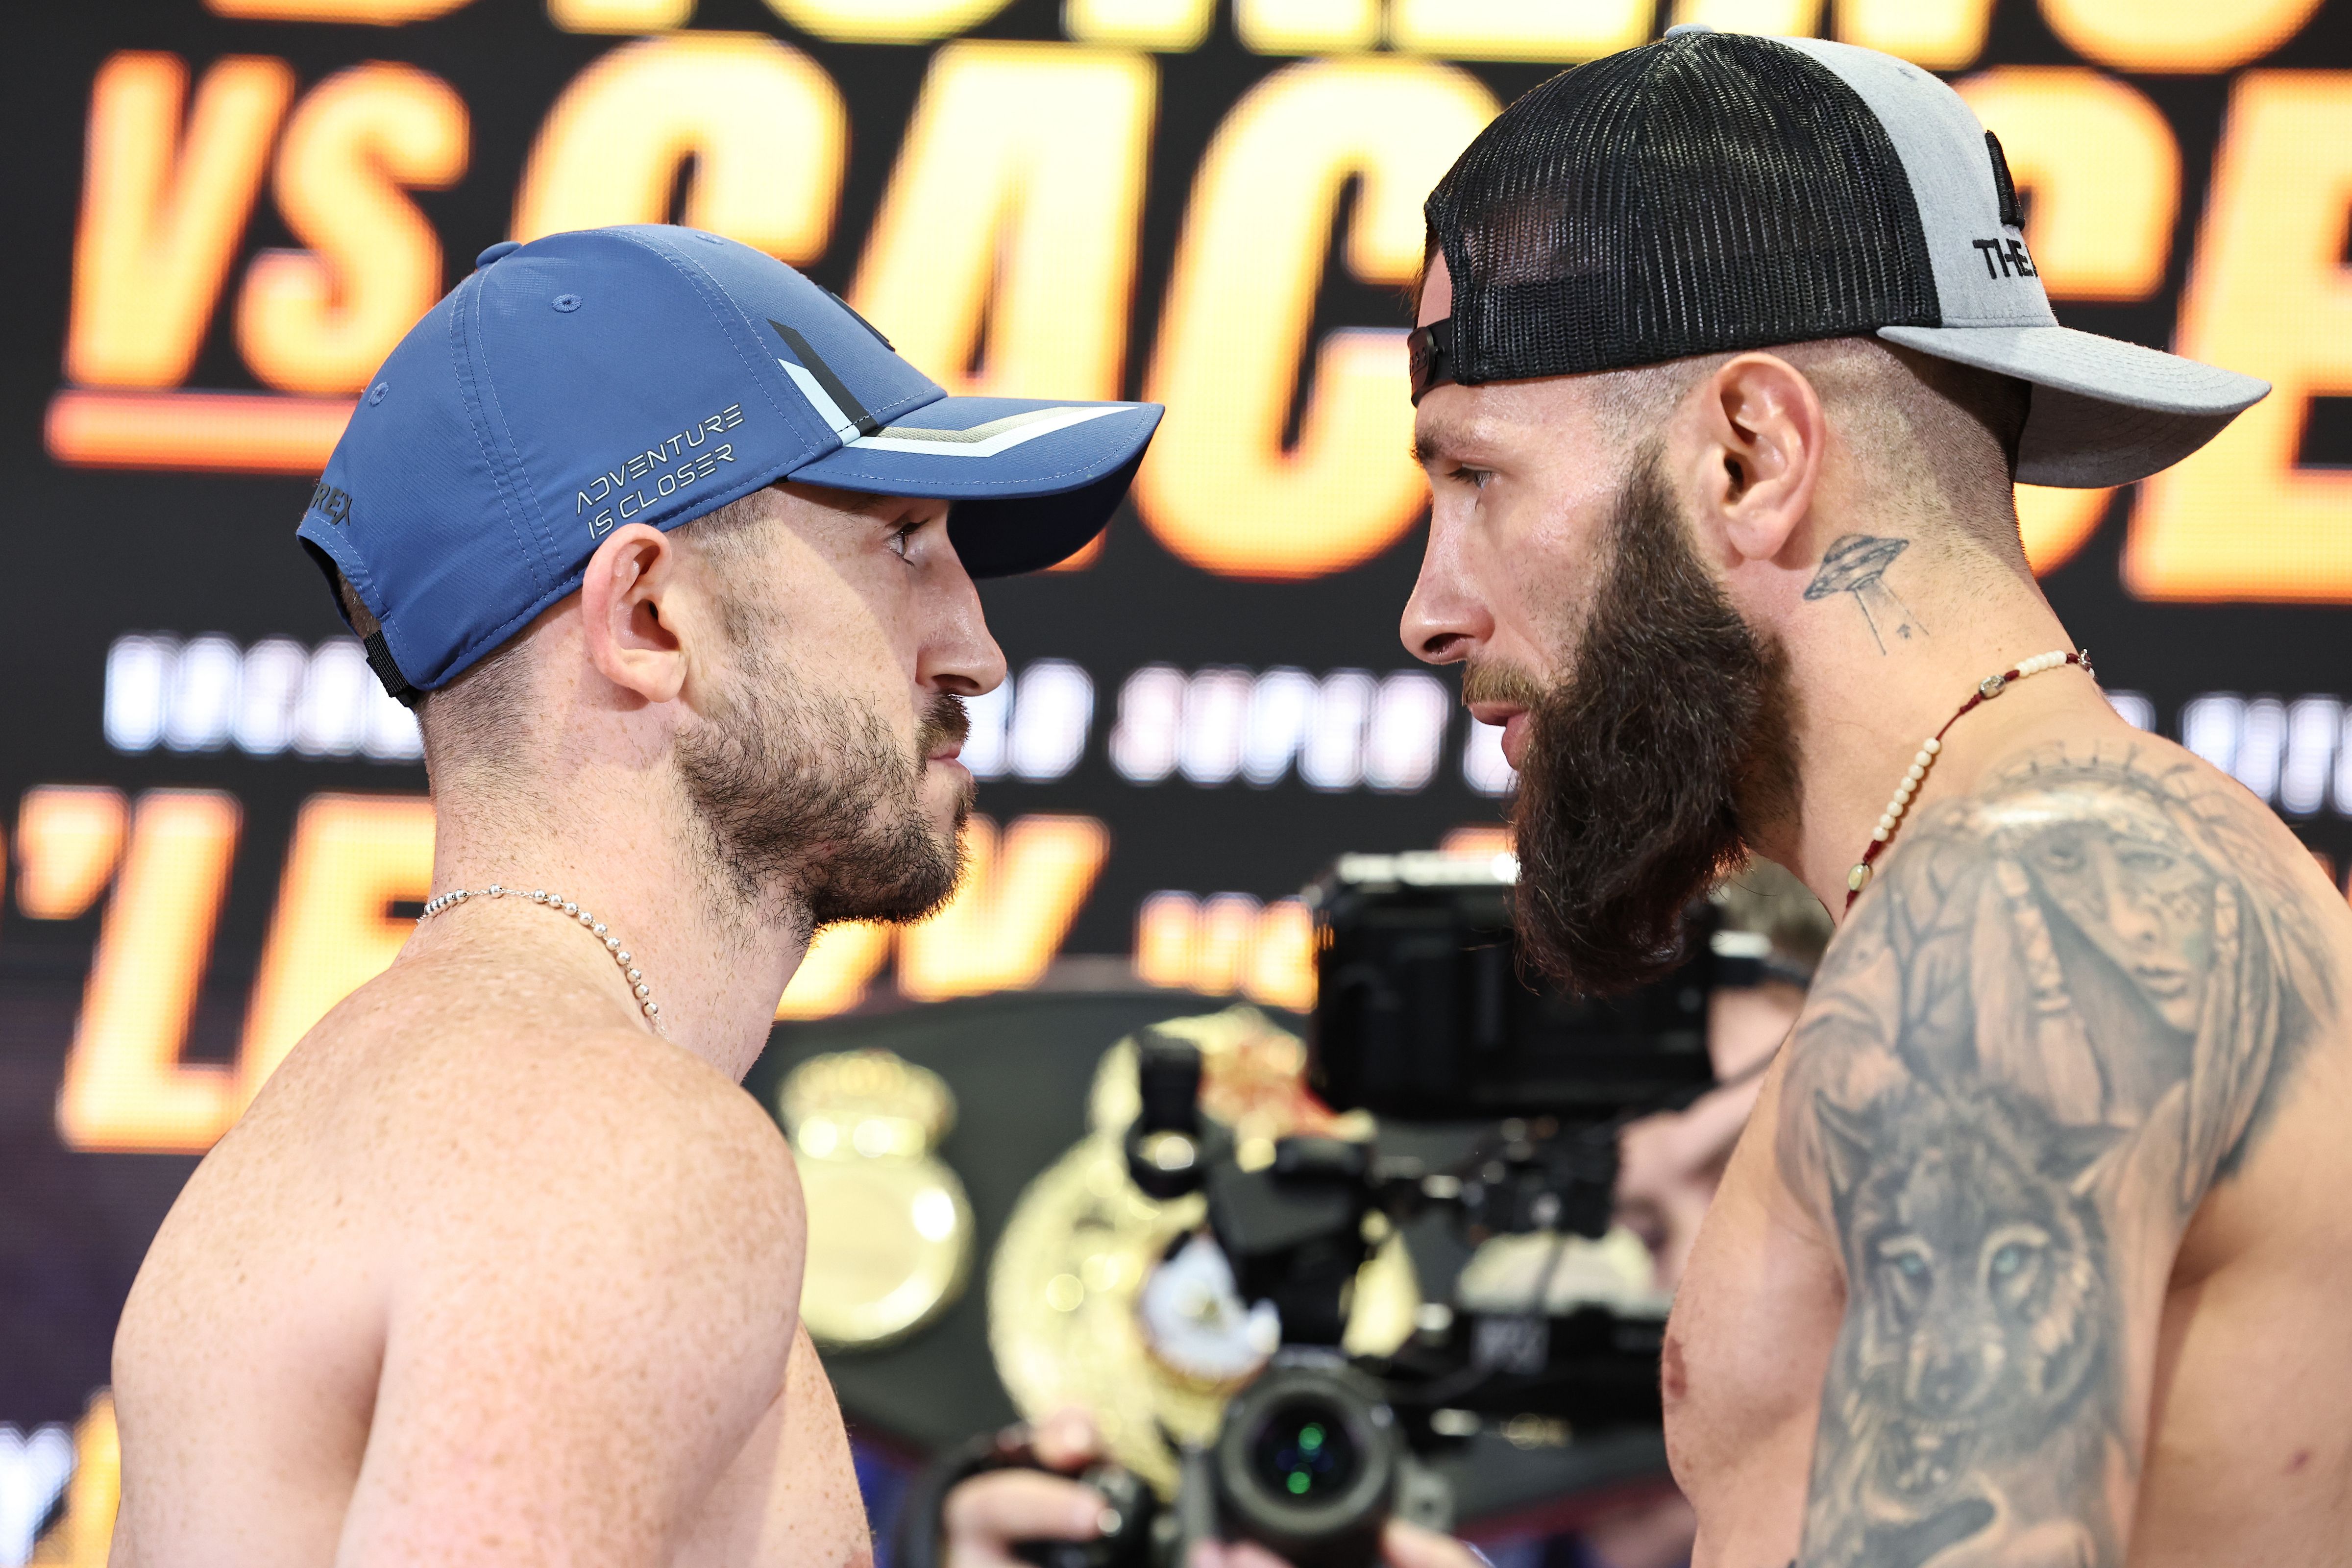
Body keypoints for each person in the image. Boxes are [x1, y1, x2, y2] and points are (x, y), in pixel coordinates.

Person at [1398, 25, 2352, 1568]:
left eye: (1473, 477)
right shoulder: (2060, 872)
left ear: (1750, 456)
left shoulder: (2021, 922)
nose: (1431, 610)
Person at [106, 224, 1168, 1565]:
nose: (978, 648)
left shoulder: (336, 1135)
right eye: (902, 542)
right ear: (653, 621)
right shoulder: (613, 1144)